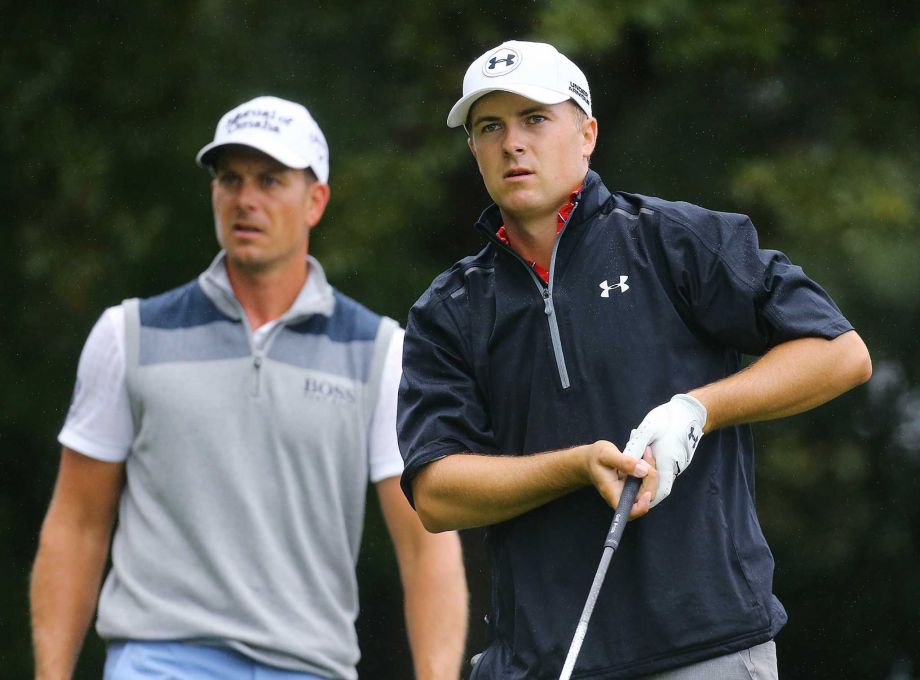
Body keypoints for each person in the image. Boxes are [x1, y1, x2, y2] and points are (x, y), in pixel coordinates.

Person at [397, 41, 872, 679]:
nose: (512, 143)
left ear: (586, 133)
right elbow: (436, 494)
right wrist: (573, 467)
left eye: (535, 119)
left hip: (709, 650)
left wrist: (699, 409)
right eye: (490, 127)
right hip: (542, 661)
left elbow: (840, 352)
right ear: (475, 149)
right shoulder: (449, 308)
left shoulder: (674, 241)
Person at [31, 95, 468, 680]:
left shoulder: (379, 351)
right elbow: (76, 527)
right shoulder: (128, 335)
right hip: (159, 658)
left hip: (311, 666)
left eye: (269, 180)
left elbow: (426, 544)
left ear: (316, 201)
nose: (245, 200)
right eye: (230, 179)